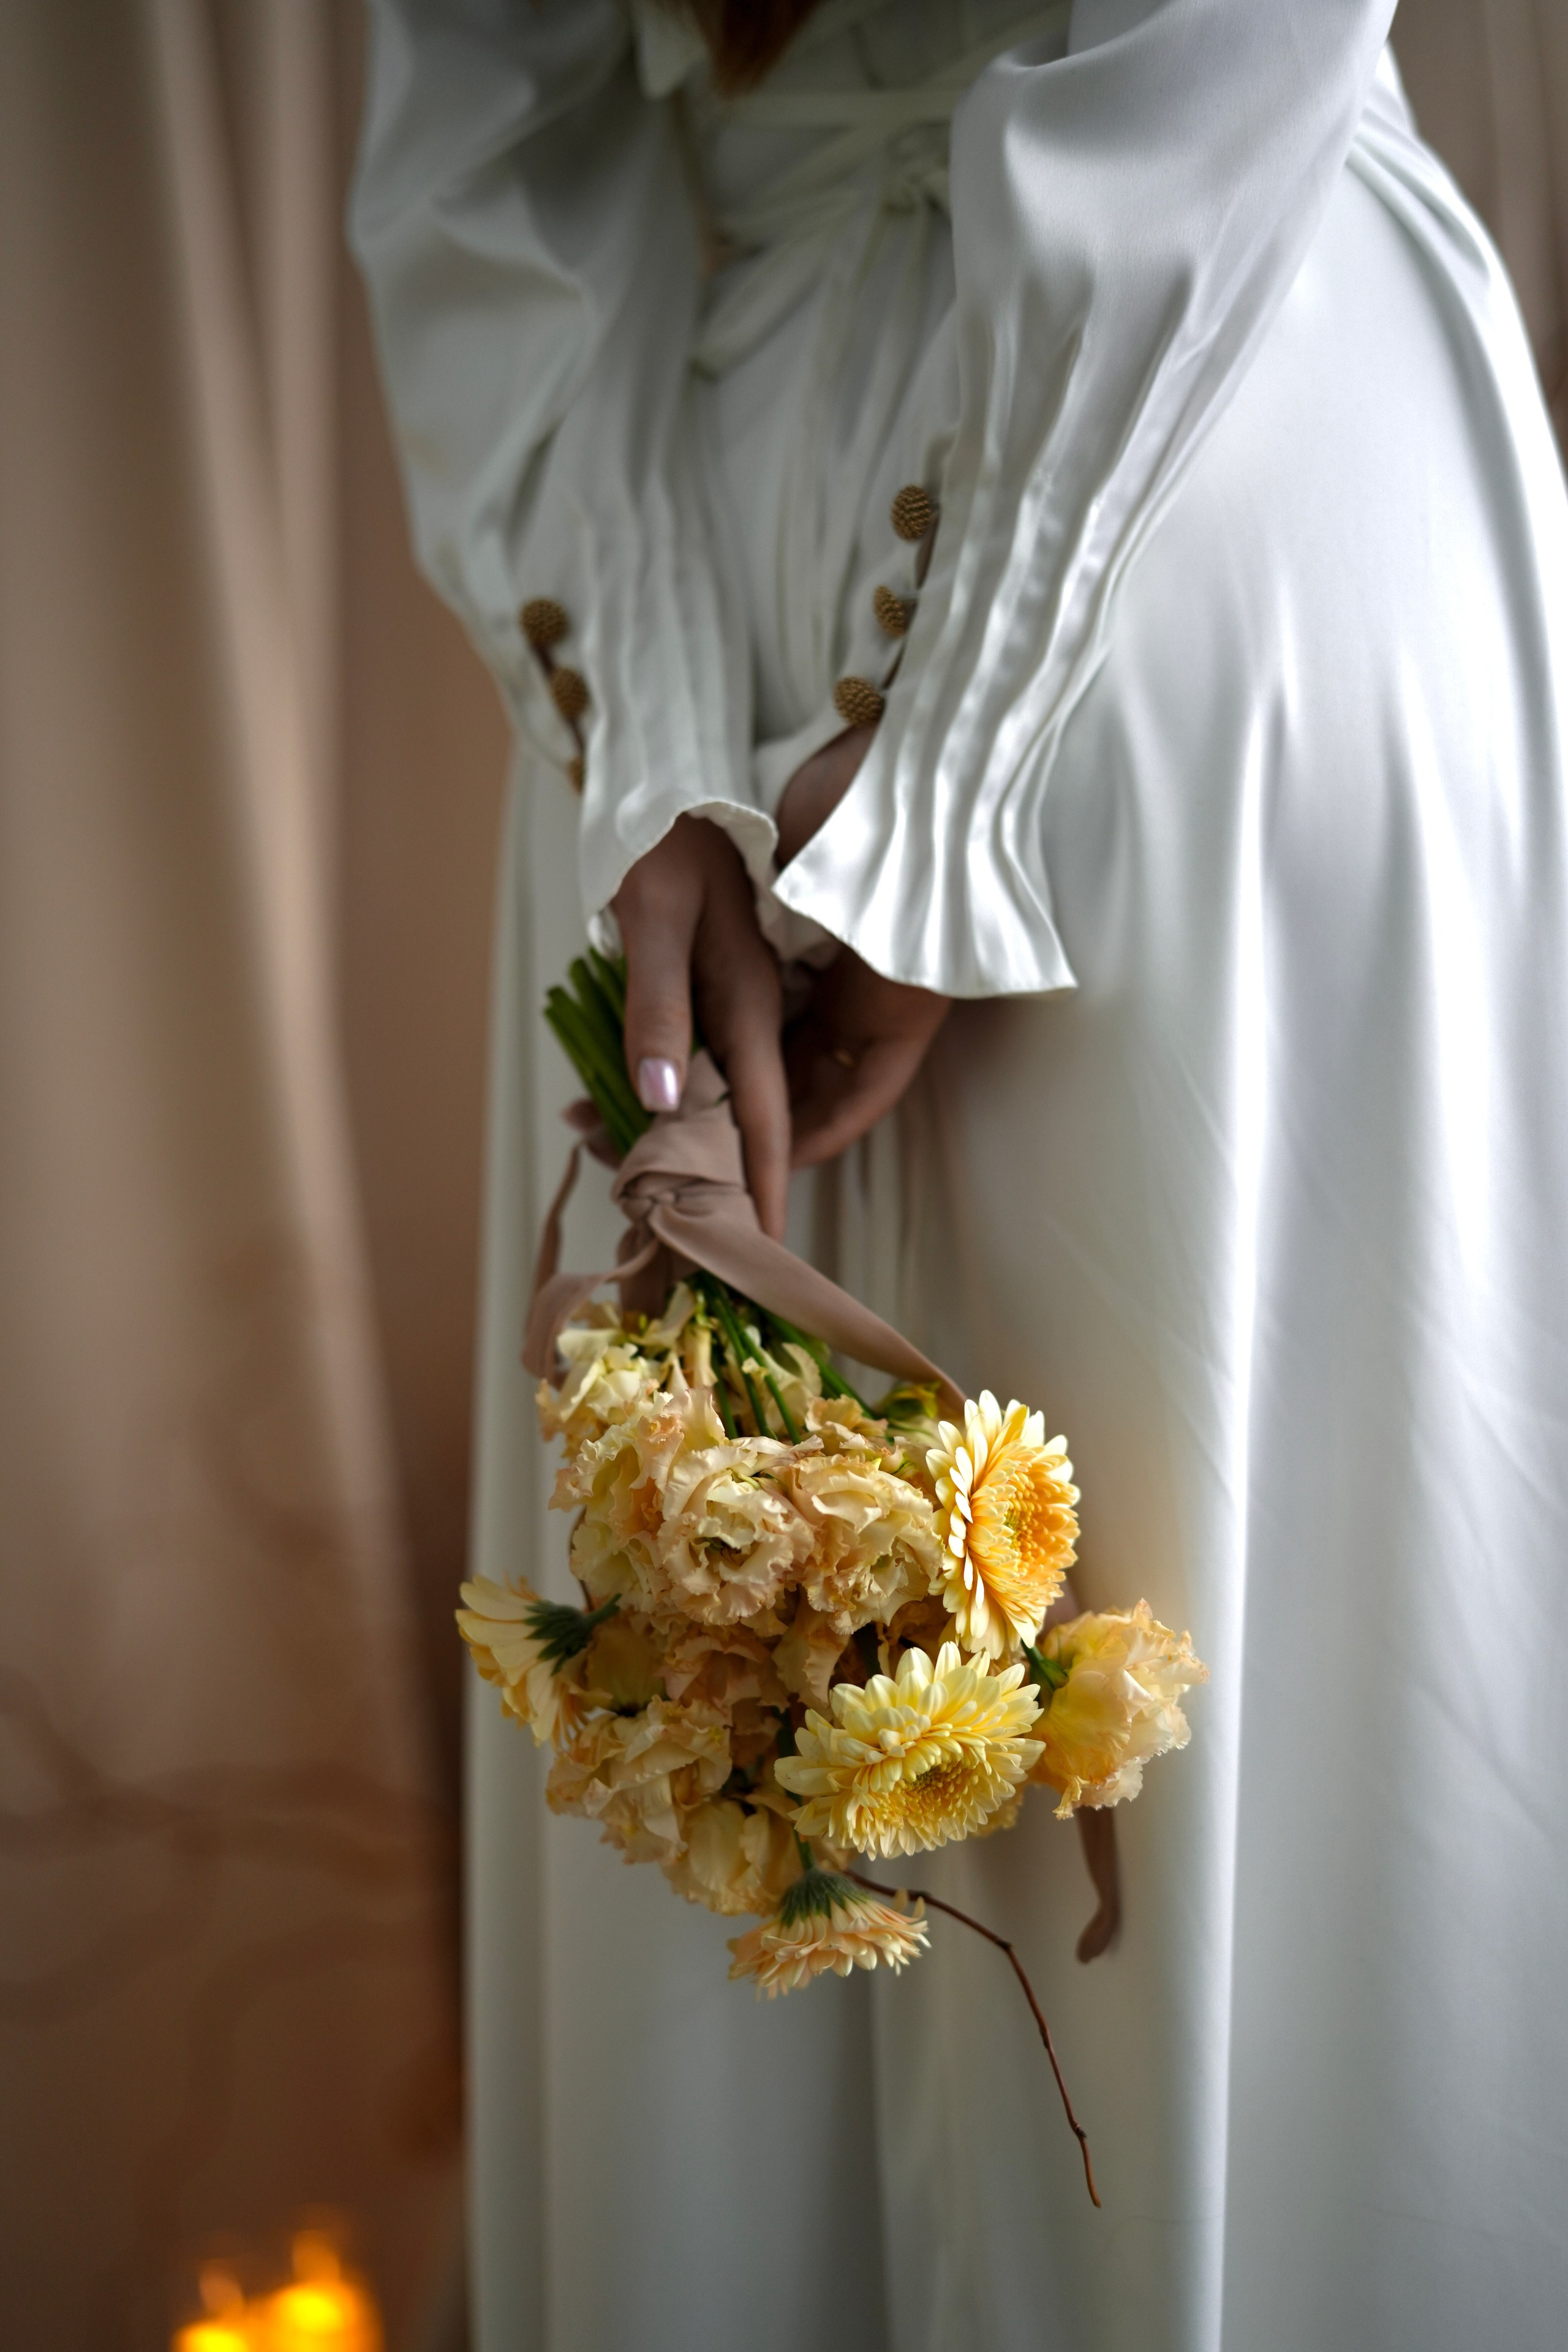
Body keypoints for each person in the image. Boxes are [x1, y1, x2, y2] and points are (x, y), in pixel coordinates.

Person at [352, 2, 1568, 2345]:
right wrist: (662, 763)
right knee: (724, 1654)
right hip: (829, 592)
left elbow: (477, 111)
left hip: (1156, 511)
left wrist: (892, 742)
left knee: (1216, 1667)